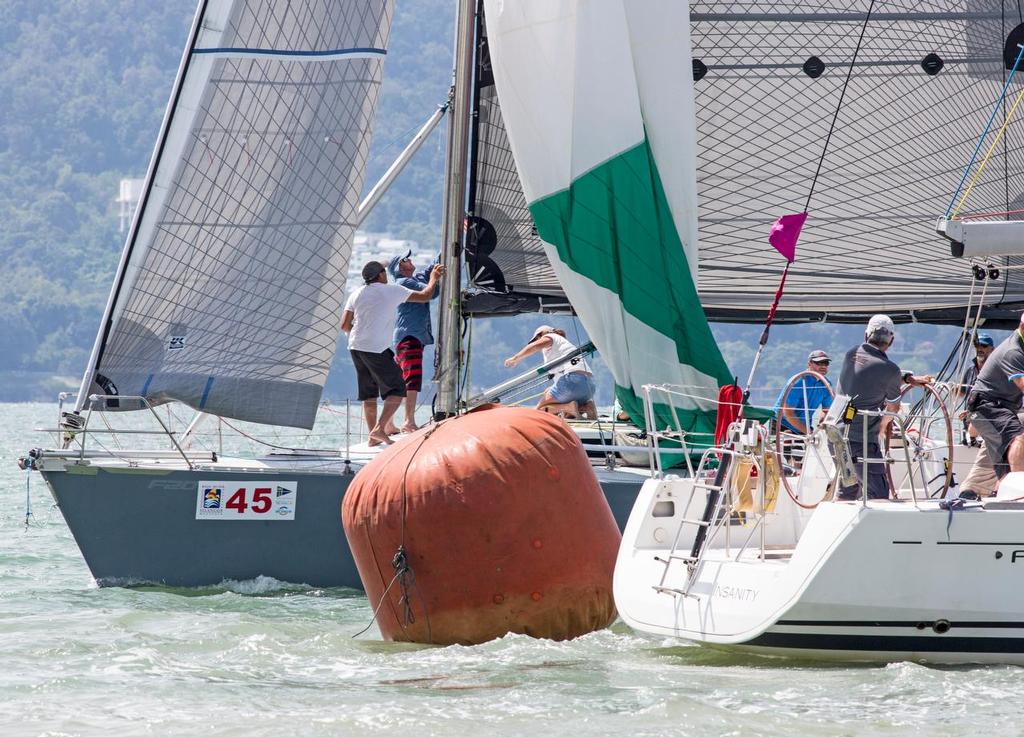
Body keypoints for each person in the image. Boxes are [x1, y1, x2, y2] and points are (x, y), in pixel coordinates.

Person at [341, 260, 444, 446]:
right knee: (398, 389)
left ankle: (373, 438)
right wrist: (434, 278)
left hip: (355, 346)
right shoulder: (391, 290)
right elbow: (426, 296)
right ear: (380, 275)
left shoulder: (356, 293)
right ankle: (380, 429)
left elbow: (345, 325)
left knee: (369, 394)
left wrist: (364, 329)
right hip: (376, 348)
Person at [836, 314, 931, 500]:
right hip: (860, 441)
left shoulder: (851, 354)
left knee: (849, 489)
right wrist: (881, 427)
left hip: (836, 435)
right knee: (878, 494)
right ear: (892, 341)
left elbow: (870, 373)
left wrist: (904, 378)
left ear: (866, 336)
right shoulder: (890, 370)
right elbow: (892, 409)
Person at [383, 250, 440, 434]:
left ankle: (388, 424)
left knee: (401, 381)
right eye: (405, 259)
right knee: (412, 379)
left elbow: (434, 265)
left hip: (409, 336)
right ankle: (408, 421)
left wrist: (457, 235)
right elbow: (428, 293)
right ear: (399, 267)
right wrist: (433, 278)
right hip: (409, 337)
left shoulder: (415, 278)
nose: (410, 260)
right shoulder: (403, 282)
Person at [967, 315, 1024, 480]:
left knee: (1004, 464)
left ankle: (1003, 489)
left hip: (1000, 408)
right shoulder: (1013, 351)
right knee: (1018, 438)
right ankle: (1019, 490)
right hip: (988, 406)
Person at [504, 326, 597, 418]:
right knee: (559, 406)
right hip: (589, 388)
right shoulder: (562, 344)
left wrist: (516, 358)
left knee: (539, 410)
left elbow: (534, 346)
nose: (536, 341)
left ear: (543, 333)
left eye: (537, 338)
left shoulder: (551, 336)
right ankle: (586, 407)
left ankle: (568, 407)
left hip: (571, 382)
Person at [772, 349, 834, 435]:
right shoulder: (798, 382)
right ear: (809, 364)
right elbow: (788, 413)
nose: (823, 366)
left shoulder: (826, 385)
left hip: (803, 427)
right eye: (819, 363)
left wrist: (821, 425)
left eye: (826, 363)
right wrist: (808, 432)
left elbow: (827, 410)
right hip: (781, 425)